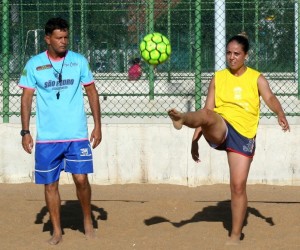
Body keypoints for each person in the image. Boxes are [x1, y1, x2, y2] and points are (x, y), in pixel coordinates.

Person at [168, 33, 290, 245]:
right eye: (228, 53)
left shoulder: (256, 78)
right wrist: (195, 139)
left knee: (238, 186)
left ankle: (235, 235)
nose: (231, 57)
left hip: (243, 134)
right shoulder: (218, 77)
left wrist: (280, 113)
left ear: (246, 55)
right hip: (220, 126)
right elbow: (207, 111)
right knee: (207, 114)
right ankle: (182, 117)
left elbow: (270, 97)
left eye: (236, 53)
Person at [19, 17, 102, 245]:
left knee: (81, 179)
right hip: (47, 138)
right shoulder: (34, 64)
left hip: (76, 135)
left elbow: (92, 93)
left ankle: (87, 219)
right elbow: (26, 99)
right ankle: (57, 230)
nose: (64, 41)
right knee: (50, 184)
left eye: (66, 37)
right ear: (48, 39)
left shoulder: (79, 61)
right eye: (59, 38)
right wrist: (25, 131)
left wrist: (98, 125)